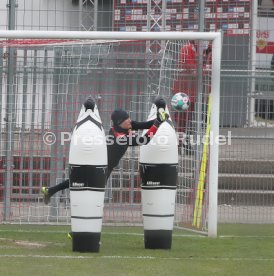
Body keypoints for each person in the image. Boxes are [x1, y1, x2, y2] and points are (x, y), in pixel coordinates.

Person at [41, 96, 169, 204]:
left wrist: (160, 118)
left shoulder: (122, 127)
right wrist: (158, 122)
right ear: (120, 122)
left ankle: (50, 191)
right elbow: (145, 140)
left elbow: (145, 125)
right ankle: (77, 225)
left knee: (77, 182)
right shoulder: (120, 137)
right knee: (91, 196)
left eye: (129, 118)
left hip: (100, 165)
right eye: (127, 119)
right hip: (101, 168)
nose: (130, 120)